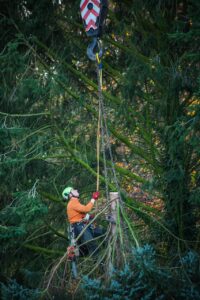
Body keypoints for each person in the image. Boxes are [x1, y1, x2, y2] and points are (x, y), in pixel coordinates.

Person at [62, 187, 104, 256]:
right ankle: (101, 263)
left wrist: (89, 217)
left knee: (102, 232)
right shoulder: (72, 202)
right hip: (79, 228)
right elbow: (86, 209)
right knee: (93, 245)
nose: (76, 190)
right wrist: (93, 198)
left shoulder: (75, 202)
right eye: (73, 190)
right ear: (70, 195)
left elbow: (80, 214)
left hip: (83, 226)